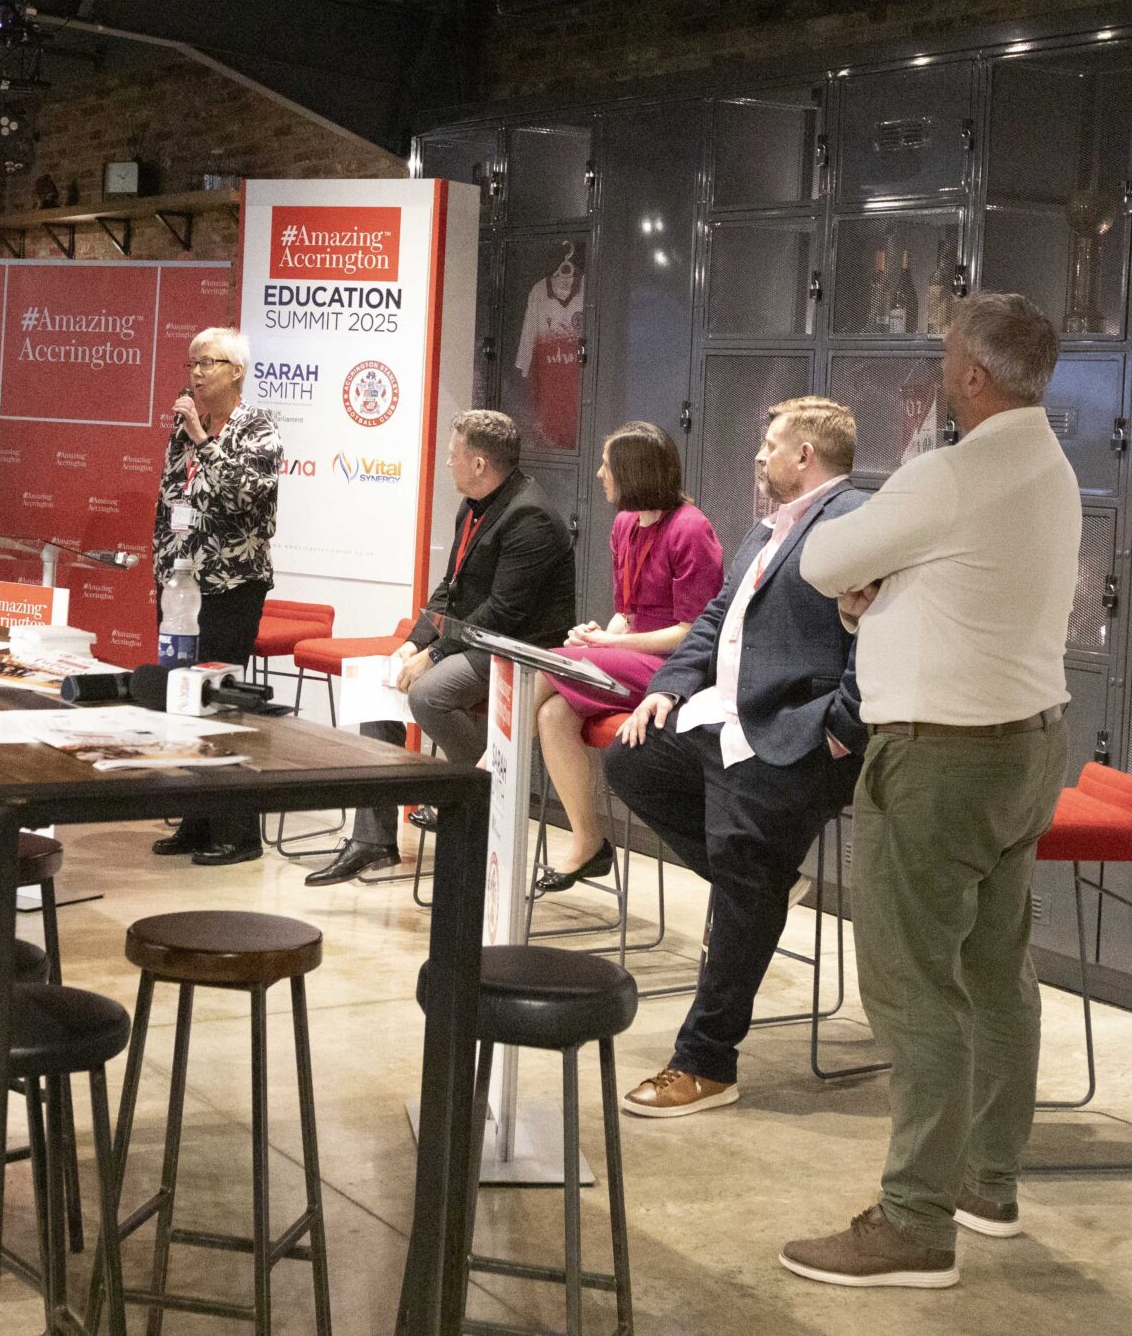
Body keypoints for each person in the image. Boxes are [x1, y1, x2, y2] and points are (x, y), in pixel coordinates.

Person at [781, 293, 1079, 1292]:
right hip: (1024, 747)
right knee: (997, 972)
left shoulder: (948, 475)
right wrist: (881, 597)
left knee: (912, 986)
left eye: (948, 355)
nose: (939, 367)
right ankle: (987, 1185)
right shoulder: (1050, 466)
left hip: (939, 757)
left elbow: (822, 558)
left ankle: (914, 1221)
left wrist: (867, 590)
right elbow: (948, 588)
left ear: (974, 378)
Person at [602, 396, 867, 1117]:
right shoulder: (768, 527)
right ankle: (765, 884)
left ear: (805, 455)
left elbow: (880, 629)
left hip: (794, 733)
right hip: (725, 719)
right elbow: (719, 615)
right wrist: (668, 687)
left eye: (770, 444)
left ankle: (706, 1062)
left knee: (744, 859)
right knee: (632, 762)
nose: (759, 456)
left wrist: (840, 729)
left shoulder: (854, 521)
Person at [307, 408, 575, 887]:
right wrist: (411, 644)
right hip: (478, 640)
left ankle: (477, 787)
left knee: (428, 693)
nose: (447, 462)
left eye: (453, 455)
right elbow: (448, 591)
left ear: (480, 464)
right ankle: (373, 840)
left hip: (521, 650)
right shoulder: (472, 505)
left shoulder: (529, 516)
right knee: (383, 681)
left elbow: (503, 614)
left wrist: (434, 655)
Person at [530, 422, 723, 893]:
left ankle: (484, 770)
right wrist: (598, 636)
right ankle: (588, 843)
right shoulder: (624, 525)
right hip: (634, 655)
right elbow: (626, 614)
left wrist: (608, 646)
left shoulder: (690, 528)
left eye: (607, 465)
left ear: (633, 472)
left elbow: (693, 632)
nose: (600, 474)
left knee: (550, 663)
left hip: (676, 669)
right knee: (553, 715)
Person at [150, 326, 283, 867]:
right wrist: (163, 573)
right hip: (181, 586)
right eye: (192, 363)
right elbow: (169, 502)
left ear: (236, 371)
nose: (197, 373)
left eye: (207, 363)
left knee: (220, 702)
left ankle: (239, 831)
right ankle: (196, 820)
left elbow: (246, 497)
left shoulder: (259, 429)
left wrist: (204, 441)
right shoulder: (183, 428)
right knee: (183, 701)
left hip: (232, 586)